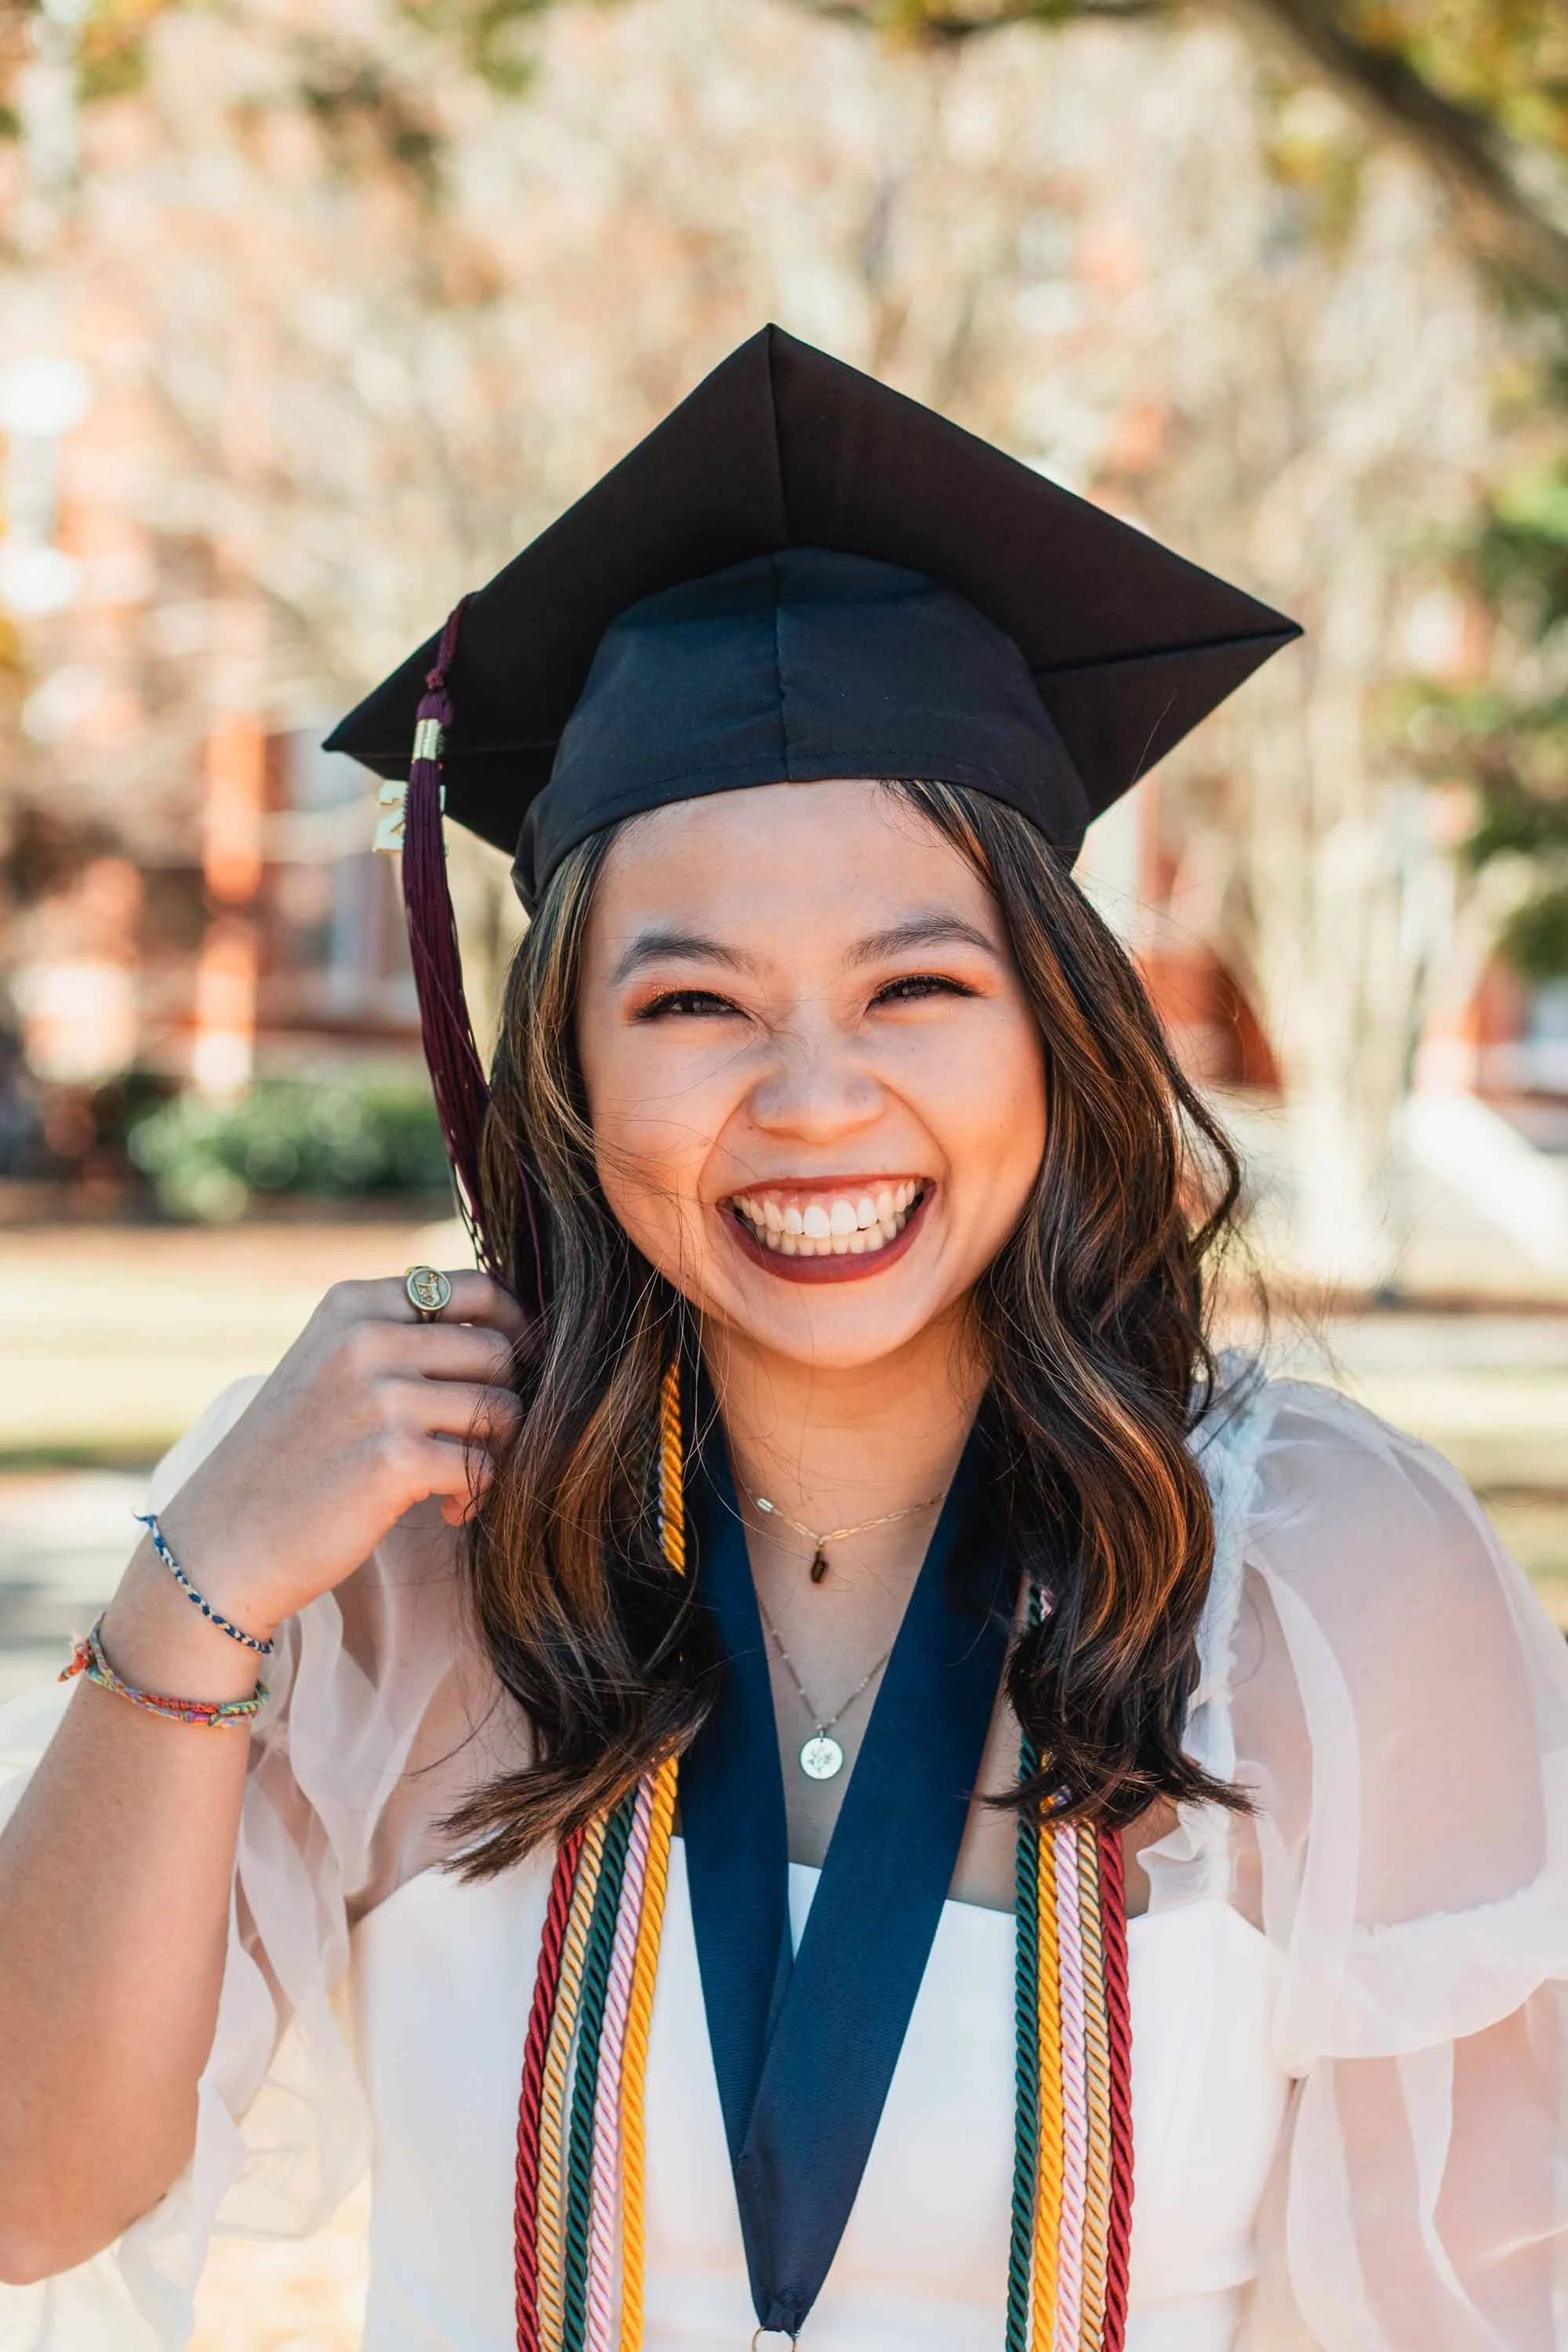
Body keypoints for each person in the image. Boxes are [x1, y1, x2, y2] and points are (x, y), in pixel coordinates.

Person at [0, 327, 1563, 2352]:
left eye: (918, 986)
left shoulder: (1324, 1583)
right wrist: (192, 1594)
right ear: (558, 1063)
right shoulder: (382, 1551)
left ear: (1058, 1034)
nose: (813, 1100)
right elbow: (34, 2193)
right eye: (691, 1006)